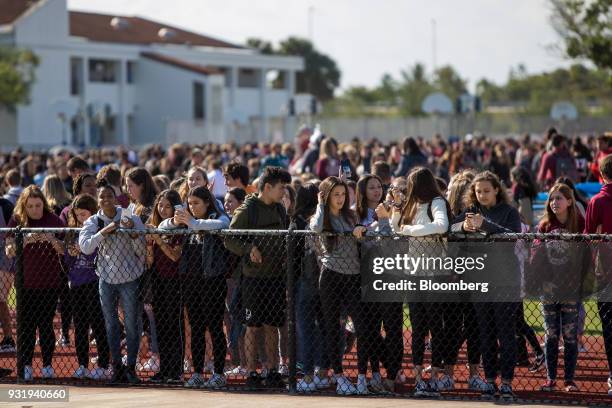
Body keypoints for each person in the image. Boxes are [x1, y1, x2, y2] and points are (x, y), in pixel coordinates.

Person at [451, 170, 522, 400]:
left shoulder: (509, 212)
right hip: (478, 280)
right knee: (486, 333)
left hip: (505, 281)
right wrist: (462, 228)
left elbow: (513, 235)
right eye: (478, 191)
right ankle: (490, 380)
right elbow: (449, 229)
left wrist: (486, 225)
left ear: (497, 191)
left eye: (486, 191)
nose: (482, 195)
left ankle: (507, 382)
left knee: (506, 333)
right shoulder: (470, 211)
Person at [387, 167, 451, 397]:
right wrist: (396, 210)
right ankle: (418, 378)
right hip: (414, 273)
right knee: (417, 326)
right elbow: (396, 229)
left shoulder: (436, 201)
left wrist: (411, 230)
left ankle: (434, 376)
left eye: (411, 184)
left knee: (436, 325)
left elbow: (441, 225)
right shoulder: (411, 205)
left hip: (434, 273)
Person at [225, 167, 291, 389]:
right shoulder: (248, 209)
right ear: (268, 187)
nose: (284, 192)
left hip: (275, 278)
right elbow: (230, 239)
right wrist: (248, 248)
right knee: (252, 326)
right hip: (253, 279)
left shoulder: (280, 209)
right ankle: (252, 373)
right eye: (281, 187)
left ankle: (272, 370)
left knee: (272, 325)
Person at [160, 186, 230, 388]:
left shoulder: (216, 217)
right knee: (197, 327)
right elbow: (163, 227)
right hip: (190, 280)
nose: (192, 207)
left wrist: (193, 222)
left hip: (212, 280)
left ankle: (218, 373)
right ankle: (198, 372)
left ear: (207, 202)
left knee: (215, 326)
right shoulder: (186, 219)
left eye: (196, 203)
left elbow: (222, 224)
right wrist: (176, 221)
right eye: (189, 203)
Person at [79, 180, 146, 385]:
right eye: (102, 197)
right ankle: (116, 366)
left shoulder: (128, 216)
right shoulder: (93, 221)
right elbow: (85, 247)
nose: (106, 199)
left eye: (109, 195)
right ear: (97, 200)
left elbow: (142, 250)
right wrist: (103, 232)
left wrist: (132, 233)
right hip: (106, 278)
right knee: (110, 325)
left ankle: (131, 367)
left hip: (129, 277)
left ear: (115, 198)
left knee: (132, 325)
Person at [309, 176, 366, 395]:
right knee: (333, 328)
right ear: (326, 196)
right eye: (336, 194)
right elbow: (315, 227)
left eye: (343, 194)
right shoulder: (322, 217)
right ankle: (340, 377)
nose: (341, 198)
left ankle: (361, 377)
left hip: (353, 275)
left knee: (362, 327)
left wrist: (360, 233)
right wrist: (320, 204)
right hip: (331, 275)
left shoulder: (350, 216)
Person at [5, 186, 65, 380]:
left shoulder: (53, 220)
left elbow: (65, 250)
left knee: (45, 324)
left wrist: (51, 238)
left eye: (38, 205)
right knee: (27, 327)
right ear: (24, 205)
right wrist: (26, 240)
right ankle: (27, 365)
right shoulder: (18, 220)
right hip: (25, 282)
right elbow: (9, 250)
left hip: (49, 281)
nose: (35, 210)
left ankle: (47, 365)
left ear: (44, 204)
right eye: (30, 206)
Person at [533, 183, 584, 392]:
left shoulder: (579, 224)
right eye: (552, 199)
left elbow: (586, 257)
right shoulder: (544, 226)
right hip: (549, 289)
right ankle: (551, 378)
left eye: (559, 198)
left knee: (570, 335)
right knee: (550, 334)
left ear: (570, 201)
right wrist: (544, 281)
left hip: (571, 288)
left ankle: (569, 379)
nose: (555, 202)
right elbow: (536, 258)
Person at [65, 194, 112, 380]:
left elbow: (100, 254)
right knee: (80, 325)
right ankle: (82, 364)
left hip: (94, 281)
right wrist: (70, 251)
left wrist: (85, 249)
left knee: (98, 324)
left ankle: (102, 364)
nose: (81, 219)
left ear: (92, 213)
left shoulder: (98, 229)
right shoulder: (73, 231)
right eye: (77, 215)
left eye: (84, 214)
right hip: (77, 282)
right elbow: (68, 261)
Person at [146, 189, 185, 384]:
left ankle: (176, 370)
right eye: (160, 205)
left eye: (167, 206)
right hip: (158, 280)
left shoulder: (178, 228)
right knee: (161, 325)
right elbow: (150, 262)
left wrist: (158, 239)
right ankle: (164, 368)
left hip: (175, 281)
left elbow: (175, 255)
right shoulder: (156, 226)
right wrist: (148, 244)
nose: (162, 209)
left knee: (173, 324)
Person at [584, 154, 612, 396]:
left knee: (610, 326)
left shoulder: (598, 201)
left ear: (600, 175)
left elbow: (588, 235)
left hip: (606, 271)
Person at [0, 198, 15, 353]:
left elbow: (12, 236)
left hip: (4, 259)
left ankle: (9, 338)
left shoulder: (5, 206)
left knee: (0, 299)